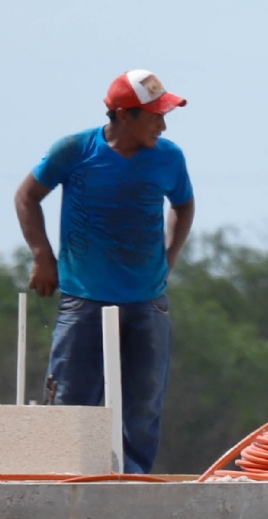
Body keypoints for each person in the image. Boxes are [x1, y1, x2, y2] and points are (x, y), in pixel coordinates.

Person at [13, 70, 196, 473]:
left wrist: (170, 254)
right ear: (123, 116)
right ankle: (63, 477)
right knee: (70, 401)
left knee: (143, 405)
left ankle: (132, 480)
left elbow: (183, 205)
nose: (162, 126)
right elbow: (27, 196)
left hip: (147, 300)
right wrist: (43, 257)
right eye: (154, 117)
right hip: (84, 297)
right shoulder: (75, 150)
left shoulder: (169, 157)